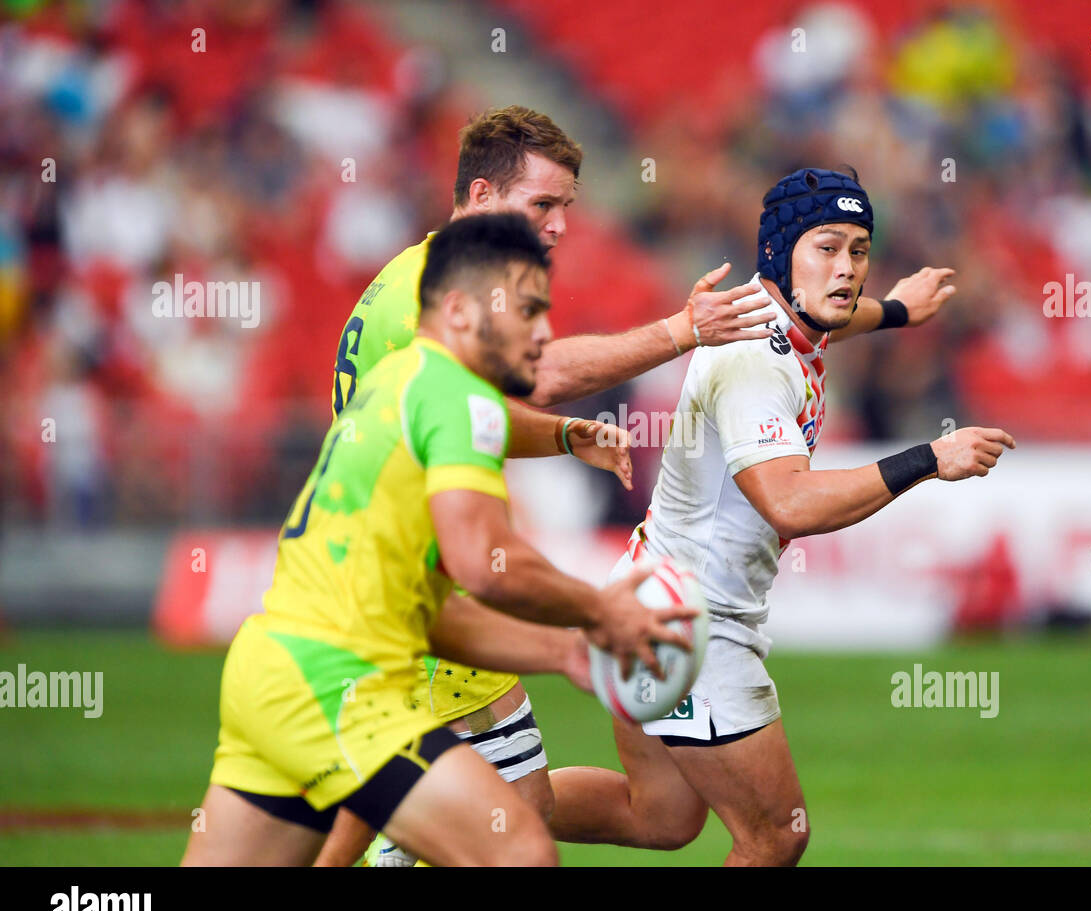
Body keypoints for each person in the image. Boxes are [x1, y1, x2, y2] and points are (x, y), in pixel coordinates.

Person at [318, 108, 955, 866]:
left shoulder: (417, 277)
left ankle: (398, 837)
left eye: (568, 208)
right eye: (542, 206)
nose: (558, 227)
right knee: (522, 835)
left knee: (592, 816)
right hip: (430, 586)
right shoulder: (451, 290)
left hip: (419, 575)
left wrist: (562, 436)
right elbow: (543, 376)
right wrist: (682, 330)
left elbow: (474, 411)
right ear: (482, 194)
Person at [182, 213, 695, 867]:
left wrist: (566, 650)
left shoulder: (396, 384)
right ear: (458, 310)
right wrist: (600, 610)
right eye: (527, 310)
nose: (543, 333)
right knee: (519, 852)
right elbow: (483, 566)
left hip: (268, 672)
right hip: (336, 686)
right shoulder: (460, 401)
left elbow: (439, 612)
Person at [546, 168, 1017, 865]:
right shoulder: (752, 362)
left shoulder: (785, 316)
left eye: (858, 250)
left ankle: (439, 807)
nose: (847, 269)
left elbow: (838, 314)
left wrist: (895, 310)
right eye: (827, 248)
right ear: (780, 255)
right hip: (692, 624)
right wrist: (929, 459)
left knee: (658, 817)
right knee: (775, 837)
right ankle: (447, 810)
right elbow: (790, 501)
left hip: (648, 592)